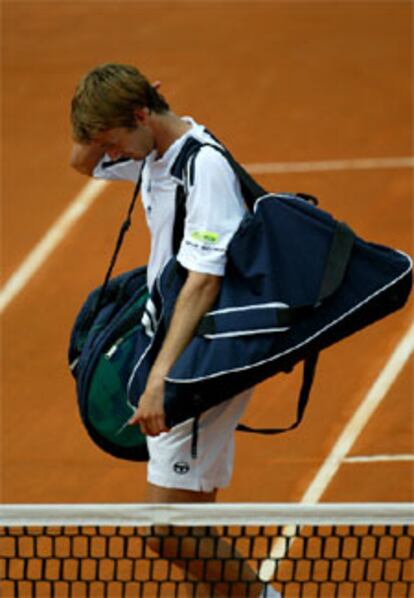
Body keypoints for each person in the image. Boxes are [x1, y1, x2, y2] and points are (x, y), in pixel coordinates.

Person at [70, 63, 281, 598]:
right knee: (190, 527)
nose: (110, 154)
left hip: (198, 355)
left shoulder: (202, 167)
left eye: (114, 139)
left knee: (168, 533)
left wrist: (162, 380)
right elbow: (82, 163)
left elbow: (204, 283)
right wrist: (98, 121)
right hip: (172, 346)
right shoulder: (150, 152)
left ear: (141, 116)